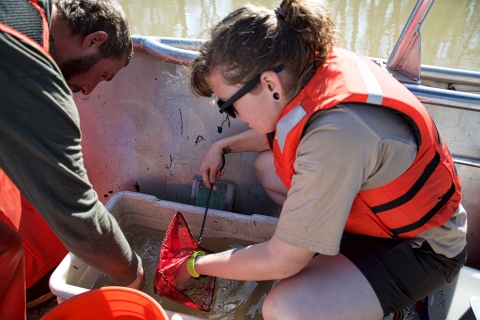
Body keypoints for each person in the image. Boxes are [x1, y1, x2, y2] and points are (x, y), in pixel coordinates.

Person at [176, 1, 468, 319]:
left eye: (230, 106)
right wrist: (224, 146)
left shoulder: (336, 136)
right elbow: (295, 125)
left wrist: (194, 264)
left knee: (285, 307)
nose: (235, 116)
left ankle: (390, 301)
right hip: (372, 217)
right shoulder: (309, 65)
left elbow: (282, 259)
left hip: (421, 247)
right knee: (266, 167)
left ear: (270, 84)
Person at [0, 0, 144, 318]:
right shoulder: (30, 74)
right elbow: (79, 217)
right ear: (94, 40)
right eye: (103, 74)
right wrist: (133, 275)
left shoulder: (31, 9)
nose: (88, 90)